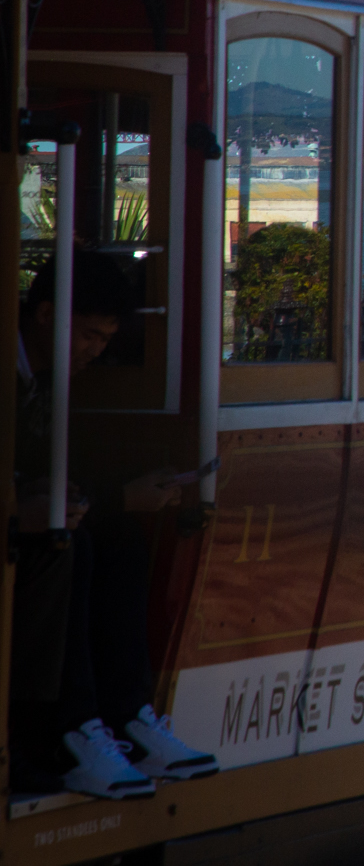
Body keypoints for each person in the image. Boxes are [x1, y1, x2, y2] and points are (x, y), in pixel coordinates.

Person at [12, 249, 218, 799]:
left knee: (119, 537)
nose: (94, 352)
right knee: (65, 544)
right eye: (88, 336)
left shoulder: (45, 375)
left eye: (106, 341)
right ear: (46, 314)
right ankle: (63, 732)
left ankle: (128, 718)